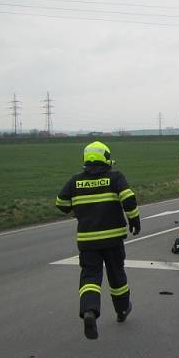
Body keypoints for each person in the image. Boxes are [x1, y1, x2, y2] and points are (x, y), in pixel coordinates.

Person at [55, 141, 140, 340]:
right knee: (116, 275)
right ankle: (122, 310)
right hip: (113, 239)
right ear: (106, 157)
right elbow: (128, 198)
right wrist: (134, 219)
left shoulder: (75, 181)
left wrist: (77, 207)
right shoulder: (115, 177)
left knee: (90, 277)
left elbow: (61, 203)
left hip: (87, 241)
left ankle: (89, 312)